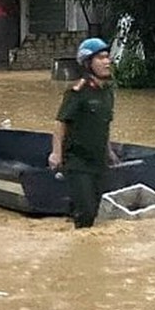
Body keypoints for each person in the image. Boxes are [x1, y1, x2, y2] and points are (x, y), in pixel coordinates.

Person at [48, 37, 119, 229]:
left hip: (98, 161)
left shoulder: (107, 92)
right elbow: (61, 122)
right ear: (88, 63)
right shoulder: (78, 92)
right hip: (78, 162)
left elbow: (103, 125)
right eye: (100, 58)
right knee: (86, 214)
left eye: (107, 57)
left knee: (92, 211)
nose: (107, 62)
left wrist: (109, 151)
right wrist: (56, 153)